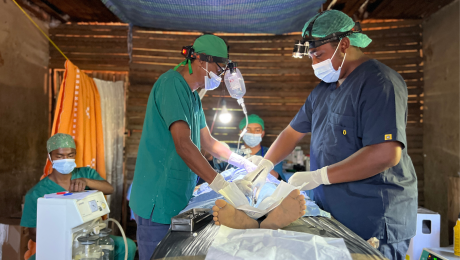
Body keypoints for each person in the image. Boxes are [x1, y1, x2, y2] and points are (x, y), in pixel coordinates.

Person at [244, 10, 417, 260]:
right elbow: (292, 132)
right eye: (311, 57)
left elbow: (386, 153)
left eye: (319, 55)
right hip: (334, 218)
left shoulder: (379, 83)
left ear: (344, 44)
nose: (315, 64)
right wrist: (265, 164)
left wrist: (320, 176)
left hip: (373, 221)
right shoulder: (324, 90)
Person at [129, 34, 256, 260]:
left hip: (175, 197)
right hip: (157, 199)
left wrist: (242, 161)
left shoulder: (193, 98)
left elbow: (208, 142)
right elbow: (183, 144)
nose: (221, 75)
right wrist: (221, 184)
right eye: (219, 68)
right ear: (200, 60)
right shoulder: (171, 85)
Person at [20, 133, 137, 260]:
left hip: (91, 237)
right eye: (60, 156)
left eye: (70, 155)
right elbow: (34, 234)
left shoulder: (86, 173)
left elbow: (110, 189)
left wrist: (87, 182)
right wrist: (64, 232)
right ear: (49, 157)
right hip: (59, 244)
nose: (66, 159)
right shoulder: (36, 193)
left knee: (127, 246)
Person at [237, 114, 285, 180]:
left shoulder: (273, 154)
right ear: (241, 133)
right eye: (248, 130)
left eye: (257, 130)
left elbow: (280, 181)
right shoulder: (233, 154)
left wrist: (263, 167)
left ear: (262, 133)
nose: (253, 133)